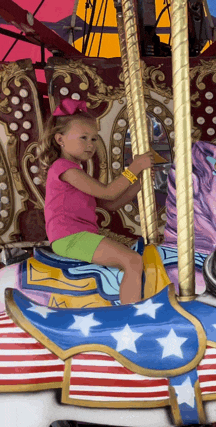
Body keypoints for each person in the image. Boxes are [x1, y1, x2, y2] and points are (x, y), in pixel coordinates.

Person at [38, 98, 154, 305]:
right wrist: (133, 169)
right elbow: (108, 192)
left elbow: (108, 205)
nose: (90, 145)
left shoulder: (75, 169)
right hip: (70, 237)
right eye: (83, 137)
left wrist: (137, 186)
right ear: (60, 139)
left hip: (78, 235)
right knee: (132, 261)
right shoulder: (63, 168)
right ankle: (131, 314)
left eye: (94, 139)